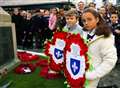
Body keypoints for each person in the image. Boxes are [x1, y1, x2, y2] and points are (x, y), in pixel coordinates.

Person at [81, 8, 117, 88]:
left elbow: (110, 60)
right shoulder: (83, 33)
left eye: (89, 19)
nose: (86, 23)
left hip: (93, 76)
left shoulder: (105, 37)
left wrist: (93, 75)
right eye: (83, 20)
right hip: (81, 71)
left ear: (97, 19)